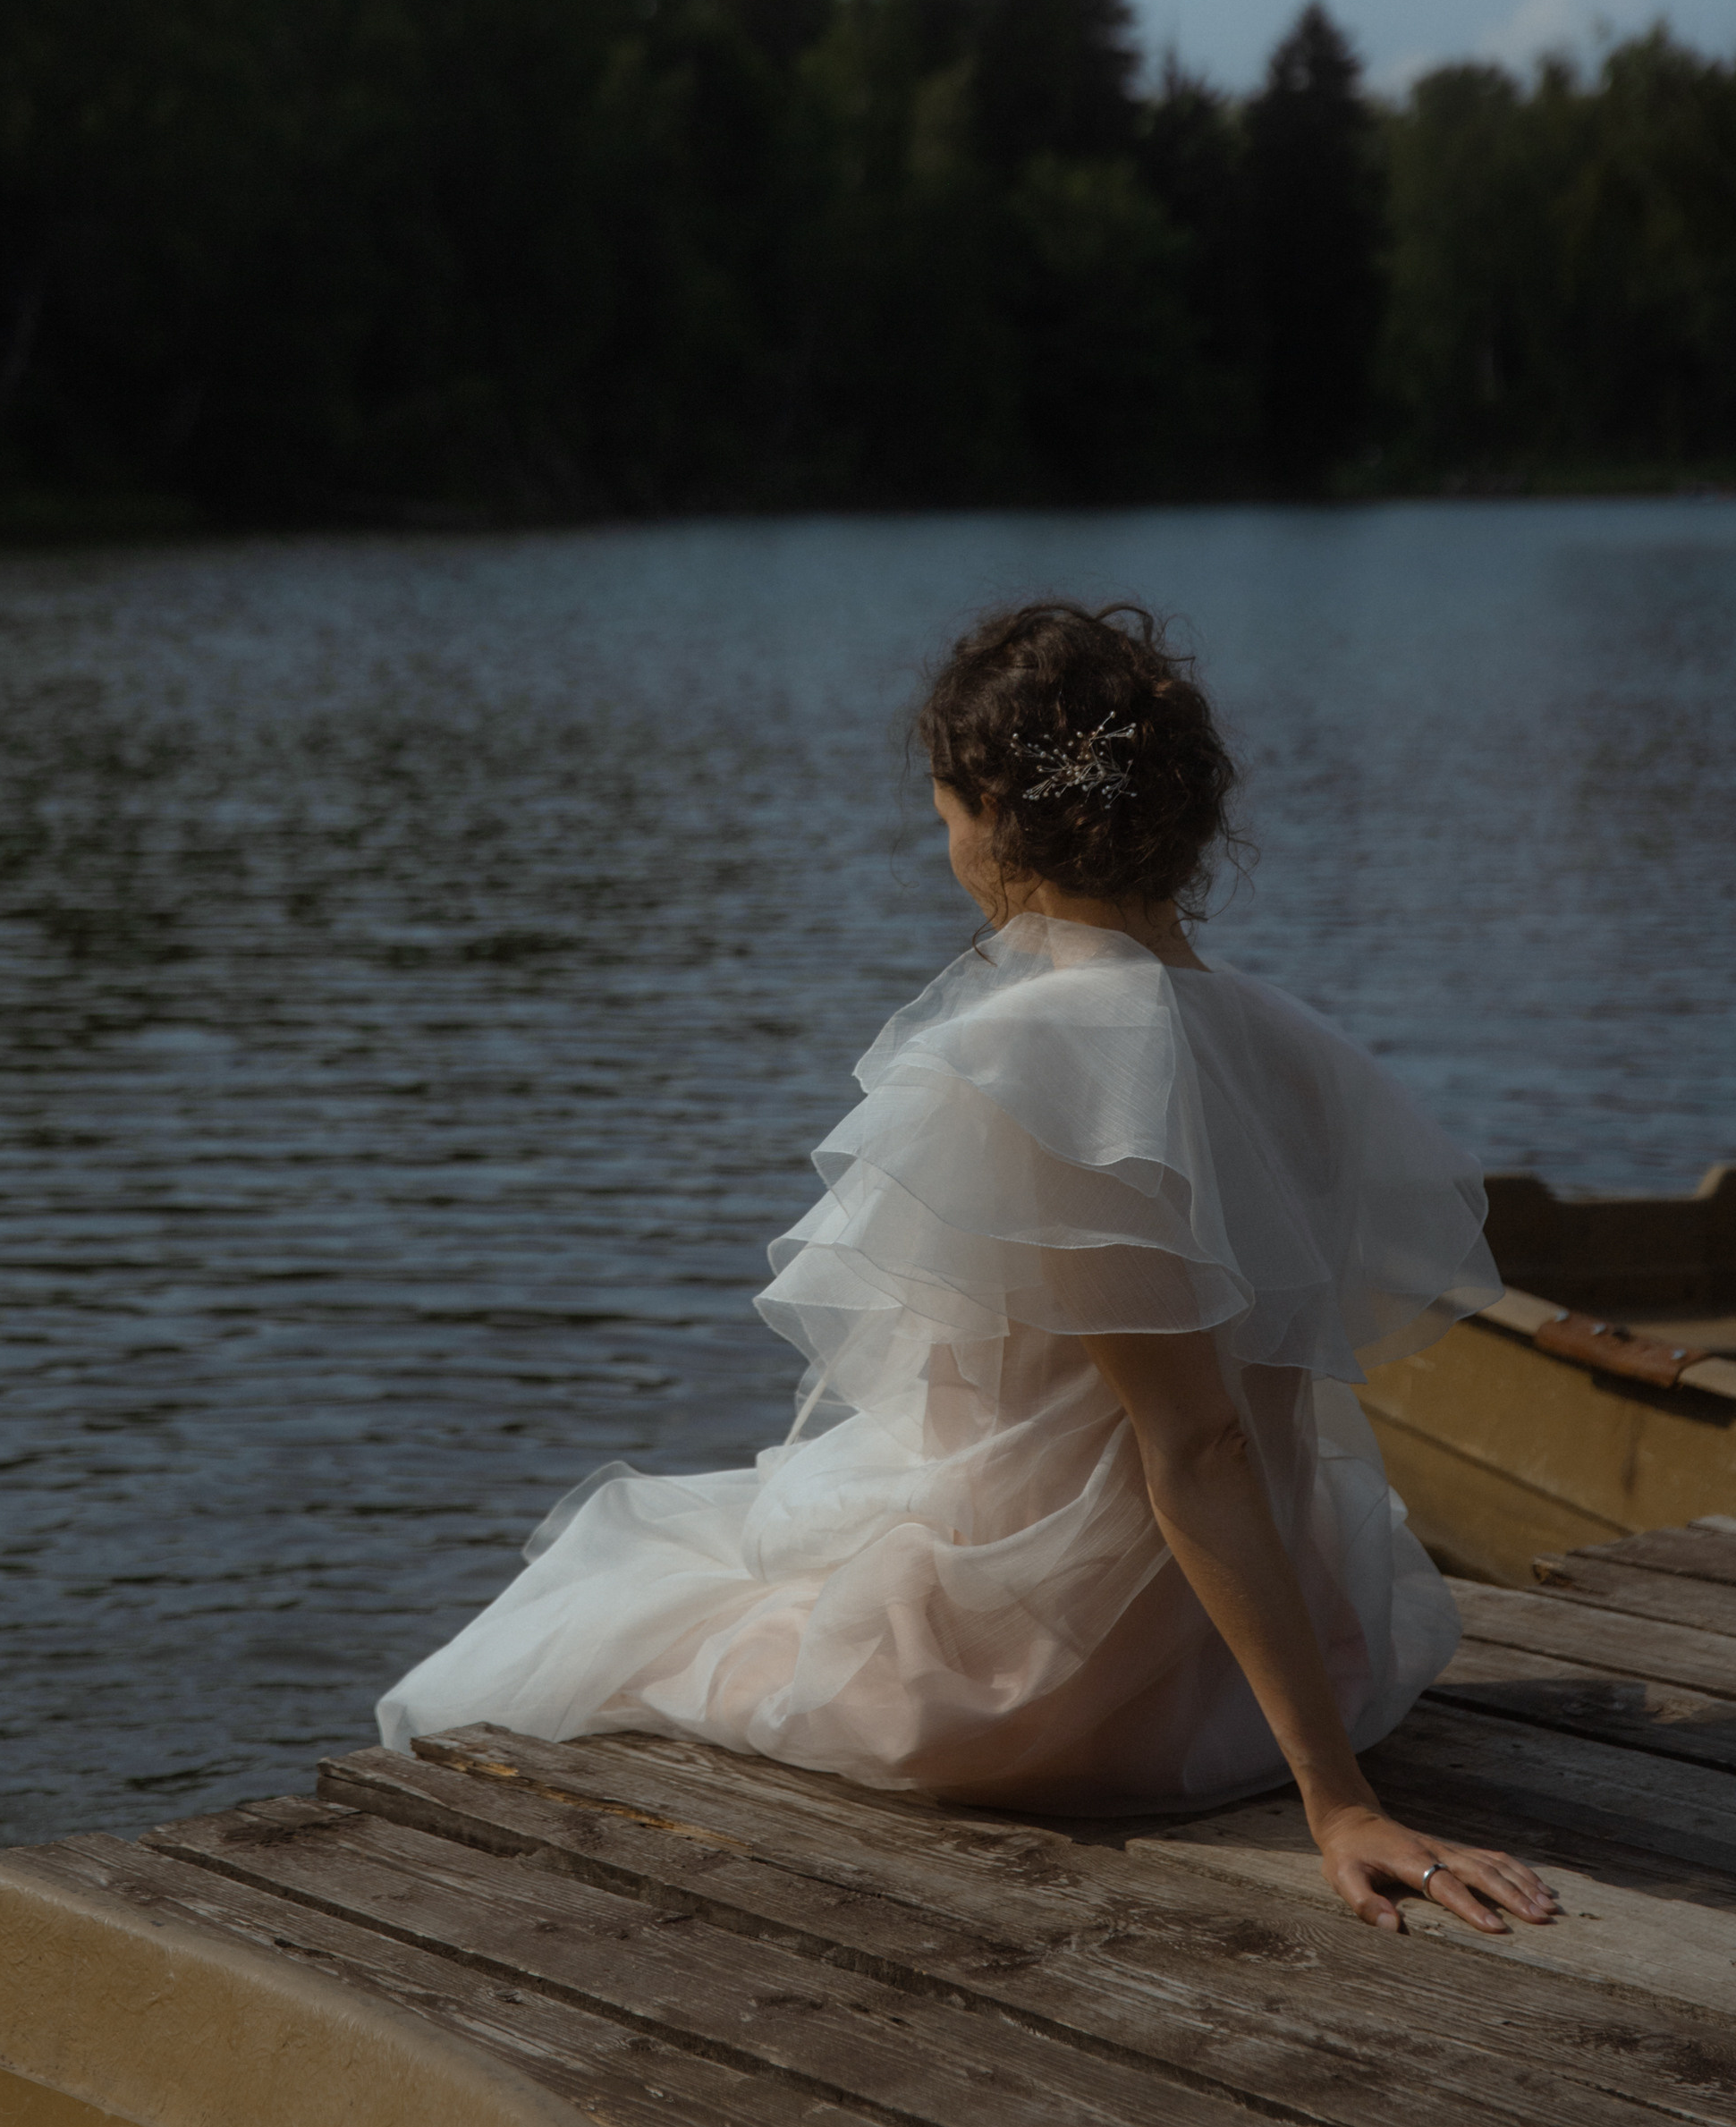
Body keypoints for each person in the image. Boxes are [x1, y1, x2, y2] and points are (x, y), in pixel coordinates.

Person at [378, 599, 1557, 1938]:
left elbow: (1201, 1446)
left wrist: (1337, 1806)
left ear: (997, 811)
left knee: (605, 1608)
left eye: (946, 811)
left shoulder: (1046, 1055)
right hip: (1291, 1658)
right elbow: (1253, 1428)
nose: (945, 847)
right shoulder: (1295, 1053)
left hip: (1053, 1692)